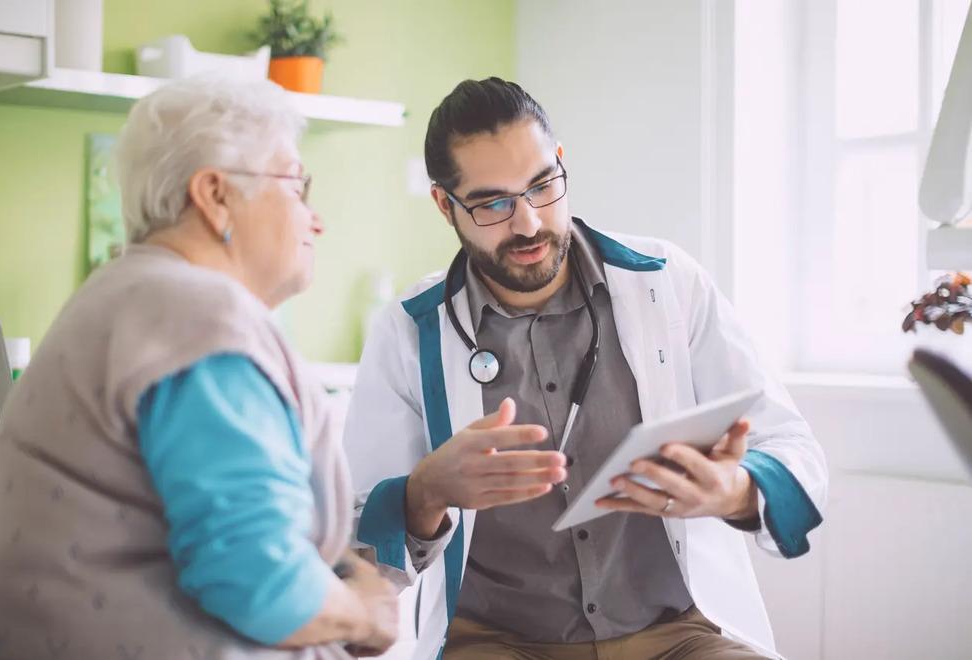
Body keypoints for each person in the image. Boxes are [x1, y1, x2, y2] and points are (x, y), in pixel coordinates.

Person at [344, 77, 826, 660]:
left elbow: (790, 443)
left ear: (560, 166)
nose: (527, 223)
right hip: (495, 642)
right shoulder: (406, 331)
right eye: (492, 202)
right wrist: (425, 493)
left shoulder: (669, 283)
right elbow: (358, 542)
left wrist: (737, 490)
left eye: (542, 186)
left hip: (678, 635)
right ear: (445, 205)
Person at [0, 76, 397, 660]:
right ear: (215, 194)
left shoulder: (137, 297)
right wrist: (365, 616)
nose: (316, 219)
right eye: (297, 185)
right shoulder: (197, 317)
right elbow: (258, 580)